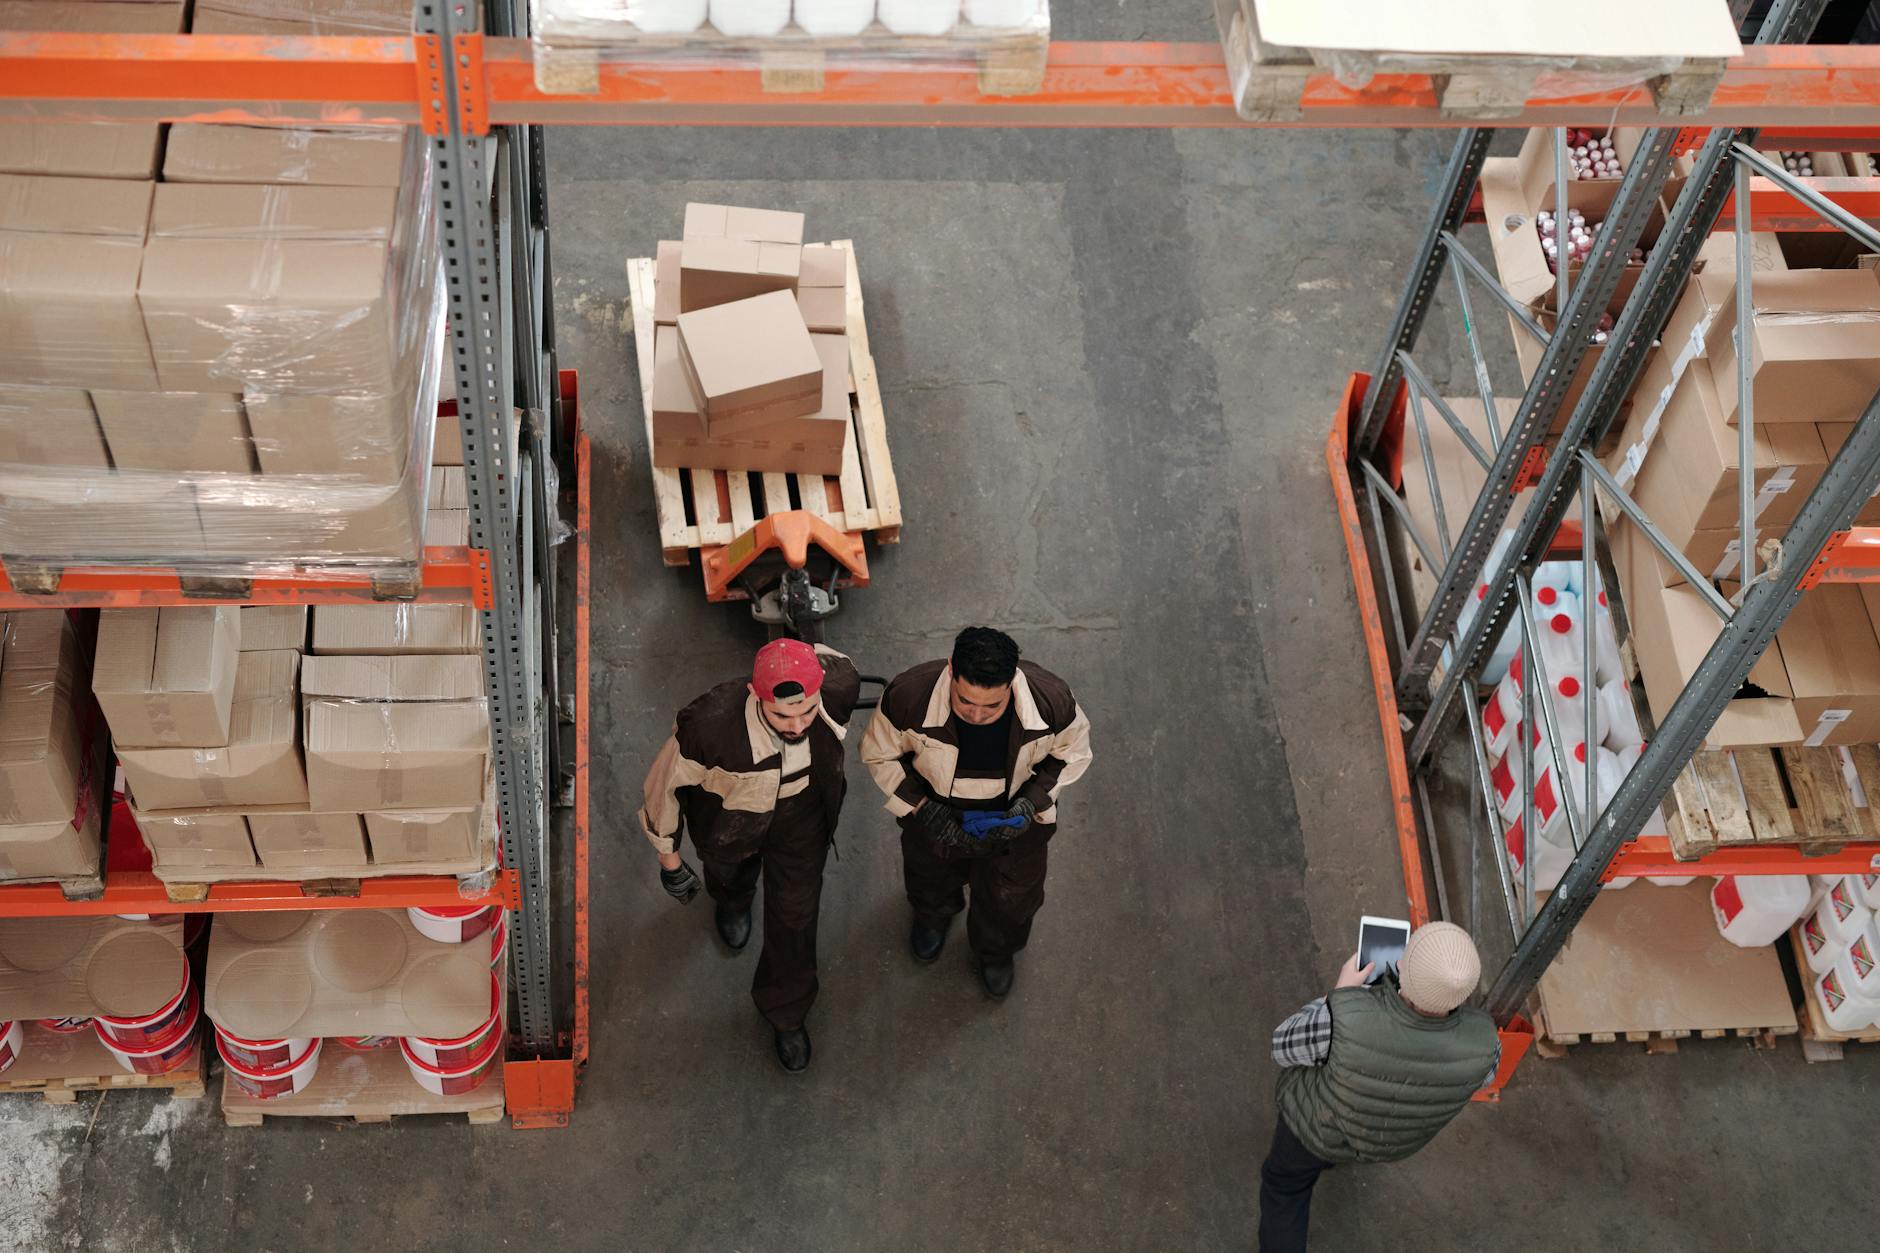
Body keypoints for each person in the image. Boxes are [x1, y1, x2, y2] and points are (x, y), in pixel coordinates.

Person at [638, 638, 861, 1073]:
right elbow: (663, 787)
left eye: (807, 711)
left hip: (802, 822)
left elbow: (834, 658)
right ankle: (734, 900)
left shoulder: (838, 687)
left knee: (796, 918)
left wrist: (792, 653)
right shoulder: (707, 728)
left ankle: (786, 1011)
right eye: (782, 714)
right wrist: (670, 860)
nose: (797, 725)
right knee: (728, 878)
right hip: (730, 827)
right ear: (756, 695)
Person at [861, 626, 1092, 1000]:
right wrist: (922, 809)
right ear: (952, 671)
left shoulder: (1052, 701)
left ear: (1012, 682)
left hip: (1017, 826)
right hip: (935, 819)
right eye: (966, 701)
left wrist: (1032, 801)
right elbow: (879, 754)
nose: (977, 714)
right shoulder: (908, 697)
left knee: (1012, 896)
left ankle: (996, 950)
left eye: (992, 706)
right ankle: (933, 917)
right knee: (930, 877)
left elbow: (1073, 754)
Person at [1259, 922, 1502, 1252]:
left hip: (1313, 1130)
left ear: (1404, 971)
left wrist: (1337, 999)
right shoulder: (1487, 1042)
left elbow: (1282, 1048)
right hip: (1388, 1142)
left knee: (1284, 1189)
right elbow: (1482, 1078)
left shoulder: (1343, 1019)